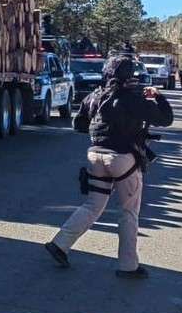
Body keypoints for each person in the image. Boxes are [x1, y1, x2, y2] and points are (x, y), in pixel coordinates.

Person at [44, 55, 173, 278]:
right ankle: (128, 266)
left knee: (93, 205)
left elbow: (79, 124)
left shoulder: (96, 95)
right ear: (129, 75)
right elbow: (166, 118)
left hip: (95, 156)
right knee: (128, 211)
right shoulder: (132, 98)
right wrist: (158, 97)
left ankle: (60, 244)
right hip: (123, 159)